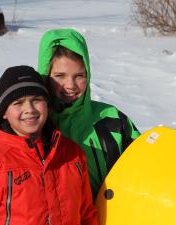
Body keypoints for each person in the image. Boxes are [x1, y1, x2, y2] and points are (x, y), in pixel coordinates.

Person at [0, 65, 98, 225]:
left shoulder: (73, 154)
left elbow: (86, 214)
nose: (29, 109)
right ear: (5, 113)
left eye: (36, 100)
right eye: (18, 103)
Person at [37, 28, 140, 199]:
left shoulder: (112, 120)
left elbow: (144, 169)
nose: (70, 85)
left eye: (79, 76)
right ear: (45, 76)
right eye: (60, 76)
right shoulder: (33, 126)